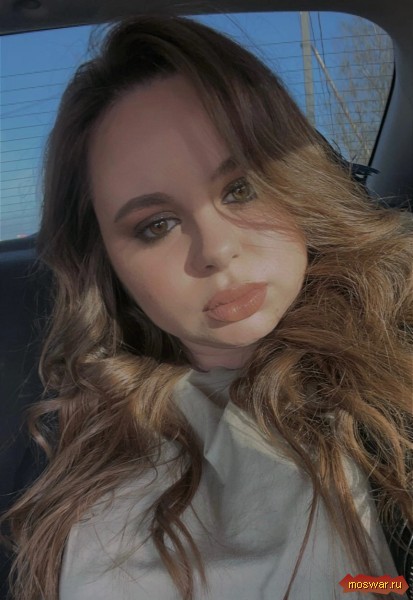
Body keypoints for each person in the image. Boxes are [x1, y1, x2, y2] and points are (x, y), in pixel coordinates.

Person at [1, 14, 412, 600]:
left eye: (241, 188)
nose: (217, 250)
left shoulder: (397, 347)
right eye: (157, 225)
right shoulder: (58, 434)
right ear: (107, 260)